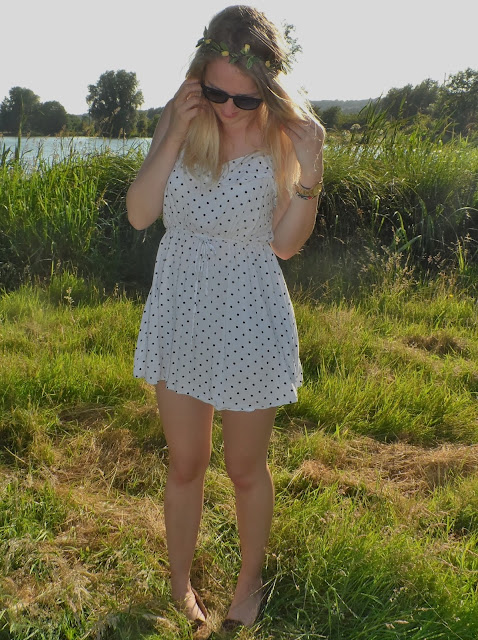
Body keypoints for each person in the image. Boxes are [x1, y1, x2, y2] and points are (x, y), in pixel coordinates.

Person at [126, 4, 324, 630]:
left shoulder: (283, 137)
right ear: (200, 78)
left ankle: (249, 583)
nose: (229, 109)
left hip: (249, 313)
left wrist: (312, 174)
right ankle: (179, 585)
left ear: (267, 87)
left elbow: (286, 244)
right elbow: (139, 213)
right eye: (217, 93)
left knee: (244, 468)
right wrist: (175, 133)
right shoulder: (183, 117)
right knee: (185, 462)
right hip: (181, 307)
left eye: (244, 98)